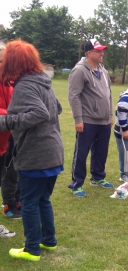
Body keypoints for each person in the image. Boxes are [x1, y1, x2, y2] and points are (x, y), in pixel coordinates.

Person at [0, 39, 64, 261]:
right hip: (53, 152)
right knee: (42, 200)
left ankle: (32, 249)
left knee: (28, 203)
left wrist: (6, 121)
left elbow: (40, 113)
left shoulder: (25, 85)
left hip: (36, 155)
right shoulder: (43, 81)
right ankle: (49, 241)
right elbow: (58, 107)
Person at [68, 39, 114, 197]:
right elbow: (74, 96)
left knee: (101, 151)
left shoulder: (103, 70)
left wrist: (109, 115)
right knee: (81, 153)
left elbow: (109, 94)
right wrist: (78, 119)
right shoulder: (79, 70)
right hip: (87, 120)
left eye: (102, 51)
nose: (102, 53)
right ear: (89, 53)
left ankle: (98, 177)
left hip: (104, 121)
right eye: (98, 51)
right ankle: (77, 183)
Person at [0, 45, 20, 219]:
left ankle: (15, 201)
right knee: (8, 172)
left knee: (14, 169)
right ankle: (8, 205)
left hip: (8, 136)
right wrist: (14, 116)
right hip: (5, 132)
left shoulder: (9, 81)